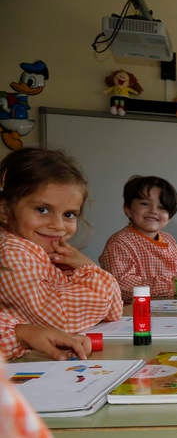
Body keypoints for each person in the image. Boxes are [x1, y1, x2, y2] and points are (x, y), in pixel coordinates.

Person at [0, 148, 122, 360]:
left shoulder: (45, 251)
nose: (58, 225)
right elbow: (58, 320)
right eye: (42, 210)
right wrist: (90, 271)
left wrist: (88, 272)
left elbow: (114, 310)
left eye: (69, 214)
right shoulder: (13, 253)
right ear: (4, 211)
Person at [100, 176, 177, 304]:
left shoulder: (169, 240)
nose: (153, 211)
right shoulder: (119, 243)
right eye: (145, 204)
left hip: (170, 307)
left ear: (169, 217)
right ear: (128, 209)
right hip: (132, 312)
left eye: (162, 207)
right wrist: (171, 285)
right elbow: (121, 285)